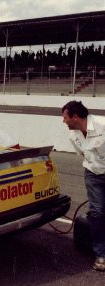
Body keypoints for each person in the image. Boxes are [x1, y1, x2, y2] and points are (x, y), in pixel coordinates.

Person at [61, 100, 105, 272]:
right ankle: (101, 254)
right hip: (93, 175)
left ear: (75, 116)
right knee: (97, 213)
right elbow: (84, 155)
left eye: (65, 117)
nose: (63, 121)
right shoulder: (73, 135)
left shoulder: (102, 125)